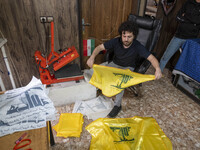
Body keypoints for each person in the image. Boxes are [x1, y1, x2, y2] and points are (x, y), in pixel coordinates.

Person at [87, 20, 162, 118]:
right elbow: (99, 48)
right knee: (98, 70)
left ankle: (117, 106)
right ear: (121, 35)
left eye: (129, 37)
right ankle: (103, 88)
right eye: (124, 36)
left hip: (127, 68)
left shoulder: (138, 46)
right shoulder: (116, 41)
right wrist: (92, 57)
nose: (126, 39)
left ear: (134, 36)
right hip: (115, 64)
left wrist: (158, 69)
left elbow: (152, 58)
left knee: (120, 82)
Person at [159, 0, 200, 72]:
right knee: (165, 57)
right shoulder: (187, 3)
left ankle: (181, 79)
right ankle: (157, 73)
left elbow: (198, 21)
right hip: (179, 36)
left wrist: (186, 16)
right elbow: (178, 17)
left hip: (191, 39)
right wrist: (192, 20)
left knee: (186, 62)